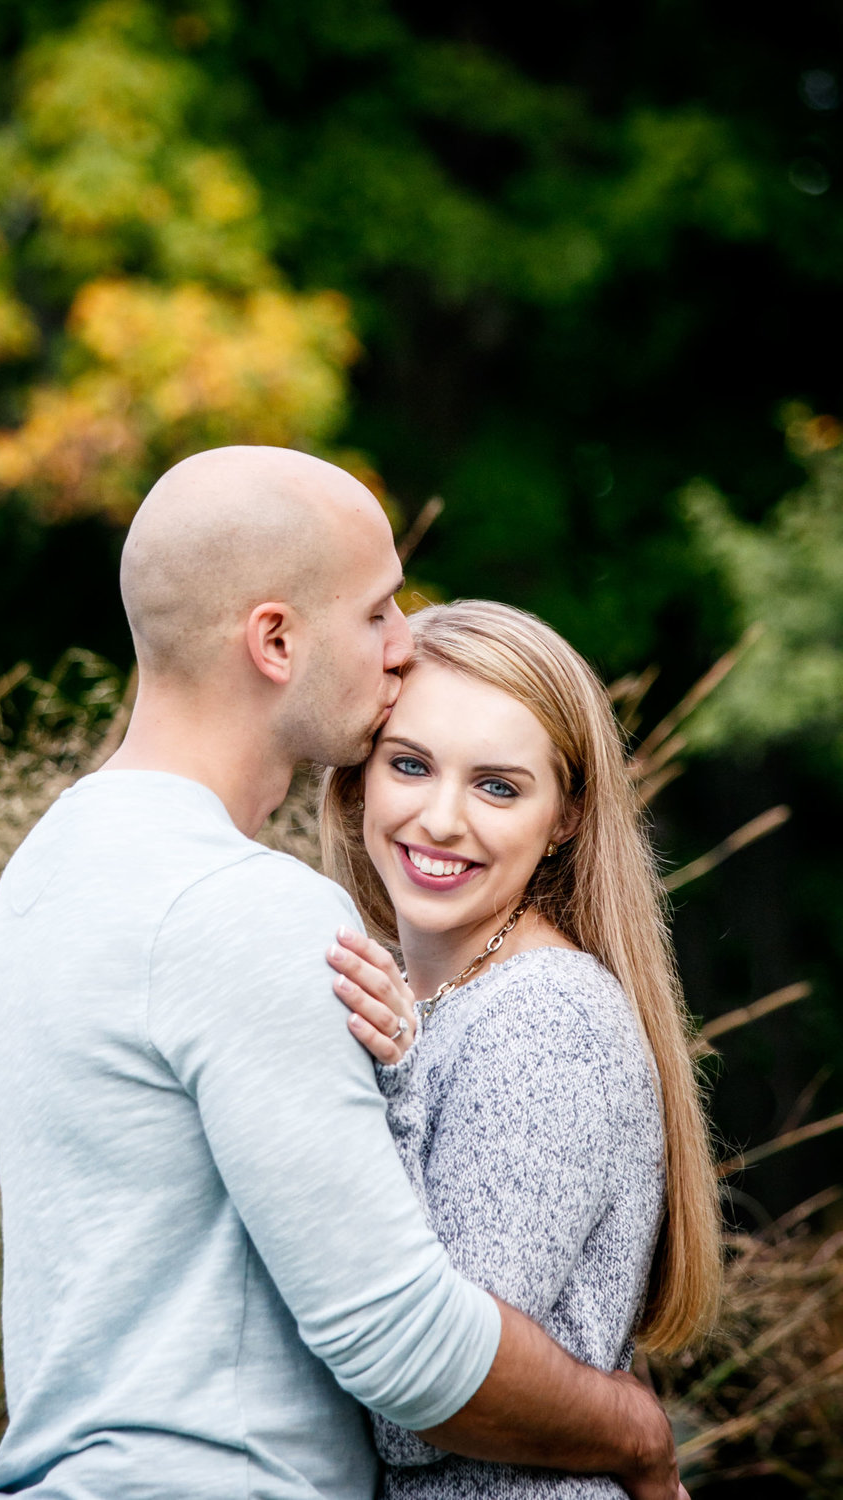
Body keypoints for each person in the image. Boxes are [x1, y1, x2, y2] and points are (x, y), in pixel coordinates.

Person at [0, 446, 688, 1500]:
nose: (404, 648)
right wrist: (639, 1433)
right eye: (379, 612)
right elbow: (409, 1355)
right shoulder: (249, 909)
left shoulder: (47, 873)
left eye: (496, 784)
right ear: (273, 639)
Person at [321, 599, 723, 1498]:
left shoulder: (549, 1019)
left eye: (498, 786)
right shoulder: (420, 995)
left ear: (566, 817)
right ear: (357, 780)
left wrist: (390, 1085)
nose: (441, 819)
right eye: (411, 765)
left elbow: (422, 1399)